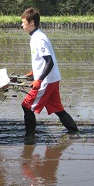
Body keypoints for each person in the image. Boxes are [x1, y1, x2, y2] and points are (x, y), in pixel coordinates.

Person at [20, 8, 79, 138]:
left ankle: (30, 137)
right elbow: (42, 62)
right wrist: (32, 74)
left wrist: (39, 80)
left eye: (24, 22)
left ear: (31, 22)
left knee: (26, 105)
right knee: (57, 108)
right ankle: (74, 131)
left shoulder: (39, 39)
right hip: (52, 78)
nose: (22, 25)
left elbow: (49, 62)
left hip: (46, 81)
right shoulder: (36, 36)